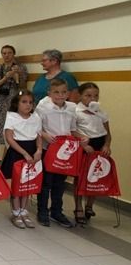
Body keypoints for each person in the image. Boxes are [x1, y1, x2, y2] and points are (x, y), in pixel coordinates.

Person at [35, 78, 77, 228]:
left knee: (60, 183)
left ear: (68, 93)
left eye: (64, 92)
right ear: (49, 93)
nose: (60, 95)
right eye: (56, 92)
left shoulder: (71, 108)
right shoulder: (43, 107)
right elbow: (36, 126)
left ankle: (57, 211)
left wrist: (80, 138)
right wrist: (45, 135)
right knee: (46, 182)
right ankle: (42, 211)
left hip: (64, 152)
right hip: (49, 150)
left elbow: (72, 129)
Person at [0, 90, 42, 229]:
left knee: (28, 183)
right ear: (16, 104)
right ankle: (16, 212)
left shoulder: (35, 117)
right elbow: (9, 138)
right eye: (24, 102)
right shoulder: (11, 117)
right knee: (17, 184)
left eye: (30, 102)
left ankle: (24, 211)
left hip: (32, 151)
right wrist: (24, 153)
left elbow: (39, 136)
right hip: (18, 151)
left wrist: (39, 150)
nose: (28, 105)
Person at [73, 82, 112, 224]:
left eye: (95, 96)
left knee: (96, 176)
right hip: (85, 146)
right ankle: (78, 207)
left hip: (99, 146)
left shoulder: (101, 113)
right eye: (88, 96)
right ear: (80, 96)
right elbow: (71, 130)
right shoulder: (76, 112)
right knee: (81, 178)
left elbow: (108, 133)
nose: (92, 99)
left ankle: (90, 205)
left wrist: (107, 145)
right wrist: (83, 143)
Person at [0, 45, 28, 161]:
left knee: (8, 129)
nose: (6, 55)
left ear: (13, 54)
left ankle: (4, 160)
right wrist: (5, 78)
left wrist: (18, 76)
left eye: (9, 53)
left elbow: (23, 87)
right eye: (4, 53)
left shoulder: (21, 68)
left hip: (11, 101)